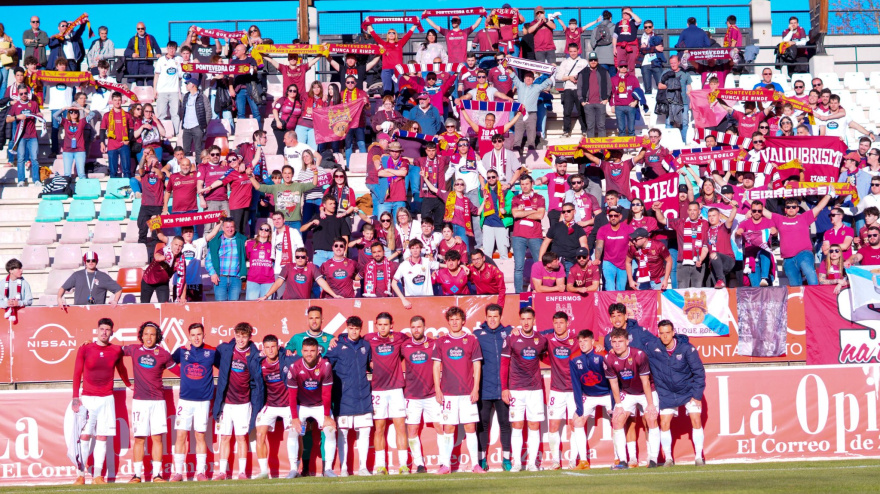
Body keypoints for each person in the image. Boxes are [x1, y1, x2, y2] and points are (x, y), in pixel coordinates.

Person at [71, 318, 132, 485]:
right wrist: (75, 398)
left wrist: (128, 384)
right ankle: (80, 475)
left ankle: (98, 476)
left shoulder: (116, 350)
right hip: (88, 398)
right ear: (97, 330)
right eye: (102, 329)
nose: (104, 332)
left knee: (102, 437)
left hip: (106, 399)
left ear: (112, 332)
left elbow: (122, 369)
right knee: (84, 436)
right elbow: (77, 374)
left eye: (107, 330)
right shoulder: (85, 348)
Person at [641, 320, 707, 466]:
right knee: (664, 423)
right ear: (658, 333)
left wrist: (697, 395)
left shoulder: (687, 349)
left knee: (696, 419)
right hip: (666, 392)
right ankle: (669, 459)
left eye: (667, 333)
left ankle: (698, 457)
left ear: (673, 333)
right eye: (662, 333)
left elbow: (699, 372)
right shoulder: (652, 347)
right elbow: (636, 353)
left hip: (688, 391)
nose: (665, 336)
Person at [433, 306, 485, 474]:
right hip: (448, 393)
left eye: (458, 319)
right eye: (452, 320)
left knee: (470, 428)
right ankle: (446, 465)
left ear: (463, 321)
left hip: (467, 392)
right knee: (448, 428)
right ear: (448, 322)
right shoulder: (441, 341)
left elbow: (477, 366)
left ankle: (475, 465)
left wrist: (476, 388)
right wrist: (437, 389)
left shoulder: (471, 340)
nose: (455, 322)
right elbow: (436, 367)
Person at [123, 322, 176, 483]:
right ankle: (137, 475)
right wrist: (92, 344)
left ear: (157, 336)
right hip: (140, 401)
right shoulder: (134, 350)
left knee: (157, 438)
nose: (149, 337)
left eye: (152, 334)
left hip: (158, 401)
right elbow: (112, 350)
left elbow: (179, 370)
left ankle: (157, 475)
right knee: (139, 438)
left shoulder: (164, 354)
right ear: (141, 336)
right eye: (146, 334)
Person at [213, 322, 265, 480]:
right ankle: (222, 472)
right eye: (238, 336)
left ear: (249, 337)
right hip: (226, 403)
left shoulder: (255, 354)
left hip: (243, 403)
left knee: (242, 437)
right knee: (225, 437)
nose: (240, 339)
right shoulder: (225, 349)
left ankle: (242, 472)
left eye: (244, 336)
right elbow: (211, 357)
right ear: (234, 335)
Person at [605, 327, 661, 469]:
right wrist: (618, 404)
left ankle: (653, 459)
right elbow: (613, 383)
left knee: (651, 418)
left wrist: (650, 404)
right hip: (628, 392)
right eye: (614, 341)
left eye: (620, 341)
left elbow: (645, 382)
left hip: (646, 391)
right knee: (617, 420)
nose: (617, 344)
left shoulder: (639, 355)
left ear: (627, 342)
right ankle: (623, 461)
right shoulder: (608, 359)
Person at [360, 313, 408, 474]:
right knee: (379, 428)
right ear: (375, 325)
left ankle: (403, 465)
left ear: (391, 325)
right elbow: (354, 343)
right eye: (380, 325)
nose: (382, 328)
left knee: (400, 427)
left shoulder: (400, 337)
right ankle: (380, 466)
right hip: (378, 390)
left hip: (396, 389)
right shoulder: (368, 339)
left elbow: (416, 342)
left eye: (386, 325)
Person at [325, 316, 373, 476]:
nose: (354, 331)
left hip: (363, 397)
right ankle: (344, 468)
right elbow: (325, 368)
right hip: (343, 397)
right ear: (347, 328)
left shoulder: (366, 345)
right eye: (351, 328)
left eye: (357, 329)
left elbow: (371, 367)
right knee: (343, 433)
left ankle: (363, 467)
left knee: (365, 432)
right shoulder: (337, 346)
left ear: (361, 329)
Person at [169, 323, 216, 482]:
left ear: (204, 335)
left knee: (200, 435)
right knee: (181, 435)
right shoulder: (183, 350)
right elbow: (167, 361)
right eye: (193, 335)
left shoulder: (212, 351)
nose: (196, 338)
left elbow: (224, 366)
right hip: (185, 400)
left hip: (203, 401)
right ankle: (178, 473)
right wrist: (181, 373)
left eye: (199, 334)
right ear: (189, 336)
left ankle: (200, 472)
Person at [285, 336, 338, 478]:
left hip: (320, 405)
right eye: (306, 351)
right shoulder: (294, 367)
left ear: (317, 351)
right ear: (301, 351)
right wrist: (295, 418)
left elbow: (327, 394)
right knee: (293, 432)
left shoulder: (325, 366)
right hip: (301, 405)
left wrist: (327, 416)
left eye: (312, 351)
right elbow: (291, 396)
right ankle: (293, 469)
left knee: (330, 431)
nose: (309, 354)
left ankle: (328, 469)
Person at [502, 307, 547, 472]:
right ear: (519, 321)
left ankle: (532, 464)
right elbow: (504, 365)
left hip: (535, 389)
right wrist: (505, 388)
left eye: (529, 319)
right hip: (516, 389)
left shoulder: (541, 339)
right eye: (523, 319)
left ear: (534, 321)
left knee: (534, 425)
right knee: (517, 425)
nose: (526, 322)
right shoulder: (512, 338)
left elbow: (549, 355)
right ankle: (517, 464)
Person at [253, 335, 303, 479]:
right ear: (263, 348)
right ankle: (263, 472)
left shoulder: (287, 359)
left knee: (295, 434)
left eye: (273, 346)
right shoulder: (259, 364)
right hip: (271, 405)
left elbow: (305, 358)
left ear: (278, 347)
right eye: (267, 347)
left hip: (289, 405)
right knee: (260, 433)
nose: (270, 350)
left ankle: (295, 469)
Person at [471, 304, 514, 471]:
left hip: (503, 388)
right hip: (483, 389)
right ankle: (482, 460)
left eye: (495, 316)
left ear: (500, 316)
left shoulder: (509, 333)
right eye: (489, 316)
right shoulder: (477, 335)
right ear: (485, 317)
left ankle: (506, 459)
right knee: (482, 425)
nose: (492, 319)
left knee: (505, 424)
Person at [536, 311, 579, 469]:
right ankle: (555, 460)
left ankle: (573, 460)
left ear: (568, 324)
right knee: (553, 425)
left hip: (575, 390)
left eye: (561, 323)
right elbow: (533, 342)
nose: (559, 326)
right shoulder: (548, 339)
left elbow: (591, 345)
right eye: (556, 323)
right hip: (557, 389)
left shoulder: (576, 339)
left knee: (575, 424)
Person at [760, 194, 832, 286]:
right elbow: (763, 210)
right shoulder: (779, 219)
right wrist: (746, 199)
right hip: (788, 258)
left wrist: (829, 195)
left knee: (810, 275)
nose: (791, 209)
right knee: (795, 286)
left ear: (797, 209)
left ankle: (816, 295)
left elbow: (818, 207)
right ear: (785, 209)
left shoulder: (804, 217)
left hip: (804, 253)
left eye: (794, 207)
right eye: (788, 207)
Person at [569, 329, 612, 469]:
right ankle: (583, 461)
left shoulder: (601, 355)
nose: (582, 344)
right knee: (577, 421)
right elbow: (576, 384)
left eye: (585, 340)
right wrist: (579, 407)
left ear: (593, 342)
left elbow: (612, 378)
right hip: (588, 396)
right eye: (580, 341)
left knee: (618, 420)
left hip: (606, 394)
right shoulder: (574, 358)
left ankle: (620, 458)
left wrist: (613, 401)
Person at [654, 201, 709, 288]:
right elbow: (662, 220)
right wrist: (658, 210)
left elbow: (706, 245)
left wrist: (701, 259)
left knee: (697, 293)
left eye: (695, 210)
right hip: (682, 263)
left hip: (698, 263)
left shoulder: (705, 224)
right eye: (690, 210)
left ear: (699, 211)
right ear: (687, 211)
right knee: (683, 292)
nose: (692, 212)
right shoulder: (680, 222)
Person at [249, 164, 318, 230]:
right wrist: (250, 176)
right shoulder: (276, 187)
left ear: (292, 174)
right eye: (285, 173)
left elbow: (314, 184)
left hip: (295, 222)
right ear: (282, 174)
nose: (287, 175)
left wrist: (315, 172)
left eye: (289, 173)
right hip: (280, 222)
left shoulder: (299, 186)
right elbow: (258, 187)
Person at [511, 175, 546, 292]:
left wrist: (523, 211)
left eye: (526, 184)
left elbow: (540, 215)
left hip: (535, 236)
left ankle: (537, 290)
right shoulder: (516, 198)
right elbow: (515, 214)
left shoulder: (540, 197)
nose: (524, 186)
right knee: (518, 267)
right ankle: (518, 293)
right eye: (522, 184)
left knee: (539, 265)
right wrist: (532, 211)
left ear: (531, 184)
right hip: (518, 236)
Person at [509, 68, 555, 152]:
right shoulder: (520, 85)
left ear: (533, 79)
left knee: (531, 138)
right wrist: (507, 64)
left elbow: (547, 82)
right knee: (518, 137)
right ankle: (516, 157)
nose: (528, 78)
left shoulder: (537, 87)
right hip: (520, 114)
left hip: (531, 115)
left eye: (530, 77)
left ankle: (531, 156)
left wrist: (553, 71)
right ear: (524, 78)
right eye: (527, 76)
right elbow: (513, 76)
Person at [58, 252, 122, 307]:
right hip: (80, 311)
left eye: (93, 260)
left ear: (96, 261)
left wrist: (115, 300)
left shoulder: (103, 276)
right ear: (85, 262)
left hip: (98, 311)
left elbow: (118, 289)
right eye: (88, 260)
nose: (90, 262)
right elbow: (63, 288)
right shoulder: (77, 275)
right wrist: (59, 298)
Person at [735, 201, 776, 286]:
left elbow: (775, 231)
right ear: (751, 211)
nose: (757, 213)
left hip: (764, 255)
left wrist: (774, 231)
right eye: (754, 211)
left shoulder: (768, 221)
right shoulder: (745, 223)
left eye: (759, 211)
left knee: (764, 251)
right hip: (751, 258)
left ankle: (764, 277)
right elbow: (738, 232)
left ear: (762, 211)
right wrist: (739, 232)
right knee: (756, 287)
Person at [205, 218, 248, 302]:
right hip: (220, 278)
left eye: (232, 227)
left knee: (234, 307)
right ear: (223, 228)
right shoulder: (216, 242)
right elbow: (208, 260)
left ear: (235, 228)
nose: (230, 229)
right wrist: (213, 274)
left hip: (236, 278)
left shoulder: (241, 241)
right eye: (227, 227)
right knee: (220, 307)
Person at [595, 206, 636, 290]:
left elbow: (635, 243)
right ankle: (611, 303)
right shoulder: (602, 229)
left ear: (620, 216)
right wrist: (597, 258)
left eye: (615, 216)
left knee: (621, 288)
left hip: (623, 262)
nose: (613, 218)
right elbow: (599, 245)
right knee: (610, 286)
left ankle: (619, 303)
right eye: (611, 216)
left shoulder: (628, 229)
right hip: (608, 261)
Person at [6, 84, 41, 186]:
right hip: (21, 136)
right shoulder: (15, 105)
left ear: (28, 93)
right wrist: (18, 117)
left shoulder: (34, 103)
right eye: (21, 93)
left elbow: (38, 114)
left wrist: (40, 115)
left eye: (25, 93)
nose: (24, 95)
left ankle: (36, 180)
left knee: (34, 158)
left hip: (33, 135)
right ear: (18, 94)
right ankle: (21, 180)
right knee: (20, 158)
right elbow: (8, 119)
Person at [540, 202, 588, 274]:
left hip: (572, 261)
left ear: (574, 212)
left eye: (568, 211)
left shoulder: (579, 229)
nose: (566, 213)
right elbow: (545, 243)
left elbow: (584, 246)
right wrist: (540, 260)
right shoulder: (555, 227)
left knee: (570, 284)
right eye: (563, 212)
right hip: (555, 262)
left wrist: (586, 260)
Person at [393, 239, 438, 309]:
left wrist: (459, 266)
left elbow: (440, 265)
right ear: (410, 250)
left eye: (417, 248)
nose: (415, 250)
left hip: (427, 300)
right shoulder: (404, 265)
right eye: (412, 248)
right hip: (411, 301)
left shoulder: (427, 261)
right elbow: (393, 283)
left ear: (421, 249)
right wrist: (403, 299)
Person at [100, 92, 135, 178]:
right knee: (113, 171)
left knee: (126, 170)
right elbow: (102, 130)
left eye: (119, 100)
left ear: (122, 101)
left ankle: (128, 190)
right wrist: (102, 142)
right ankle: (114, 190)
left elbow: (131, 129)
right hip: (112, 145)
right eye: (115, 100)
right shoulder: (107, 115)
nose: (117, 102)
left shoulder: (127, 115)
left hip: (124, 145)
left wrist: (128, 140)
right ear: (112, 101)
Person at [558, 43, 589, 137]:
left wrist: (579, 78)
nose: (573, 53)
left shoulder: (584, 62)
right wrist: (569, 78)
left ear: (578, 51)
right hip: (568, 89)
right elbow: (558, 76)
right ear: (568, 51)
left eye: (574, 51)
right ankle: (566, 131)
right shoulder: (564, 62)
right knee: (567, 111)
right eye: (571, 51)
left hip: (580, 89)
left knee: (582, 111)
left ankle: (584, 130)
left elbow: (589, 75)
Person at [153, 41, 182, 136]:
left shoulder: (179, 60)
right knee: (161, 114)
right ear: (167, 48)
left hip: (174, 91)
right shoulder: (161, 60)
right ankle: (162, 134)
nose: (172, 50)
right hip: (162, 91)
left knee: (175, 114)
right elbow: (156, 75)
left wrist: (179, 91)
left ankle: (176, 133)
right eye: (170, 48)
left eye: (174, 48)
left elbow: (181, 76)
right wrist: (154, 90)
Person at [229, 43, 261, 127]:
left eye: (237, 50)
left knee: (256, 111)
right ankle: (241, 130)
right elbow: (231, 76)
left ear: (244, 51)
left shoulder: (251, 60)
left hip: (251, 89)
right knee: (240, 113)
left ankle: (258, 131)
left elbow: (255, 70)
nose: (235, 52)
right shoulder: (233, 62)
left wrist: (252, 69)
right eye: (235, 50)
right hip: (239, 90)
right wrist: (231, 88)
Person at [706, 206, 738, 288]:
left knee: (714, 255)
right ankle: (721, 284)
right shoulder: (707, 231)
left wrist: (734, 209)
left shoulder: (723, 227)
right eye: (709, 216)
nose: (711, 218)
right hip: (714, 263)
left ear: (719, 216)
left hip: (727, 259)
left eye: (714, 215)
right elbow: (705, 248)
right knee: (717, 289)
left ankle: (721, 280)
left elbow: (730, 219)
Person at [180, 75, 208, 156]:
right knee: (186, 150)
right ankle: (187, 167)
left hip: (197, 127)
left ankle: (199, 168)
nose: (186, 85)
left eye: (187, 84)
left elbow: (208, 112)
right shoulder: (186, 96)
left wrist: (203, 125)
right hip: (186, 127)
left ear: (192, 85)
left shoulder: (202, 97)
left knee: (198, 150)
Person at [613, 8, 642, 73]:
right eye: (624, 13)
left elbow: (639, 21)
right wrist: (614, 48)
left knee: (631, 66)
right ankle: (621, 81)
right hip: (620, 46)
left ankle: (631, 81)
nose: (626, 14)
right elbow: (615, 36)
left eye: (627, 13)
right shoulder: (618, 24)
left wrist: (630, 12)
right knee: (620, 65)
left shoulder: (633, 22)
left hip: (632, 46)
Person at [591, 11, 616, 76]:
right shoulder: (615, 28)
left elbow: (592, 43)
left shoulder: (596, 28)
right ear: (610, 18)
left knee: (602, 80)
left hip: (600, 59)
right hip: (612, 58)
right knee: (613, 81)